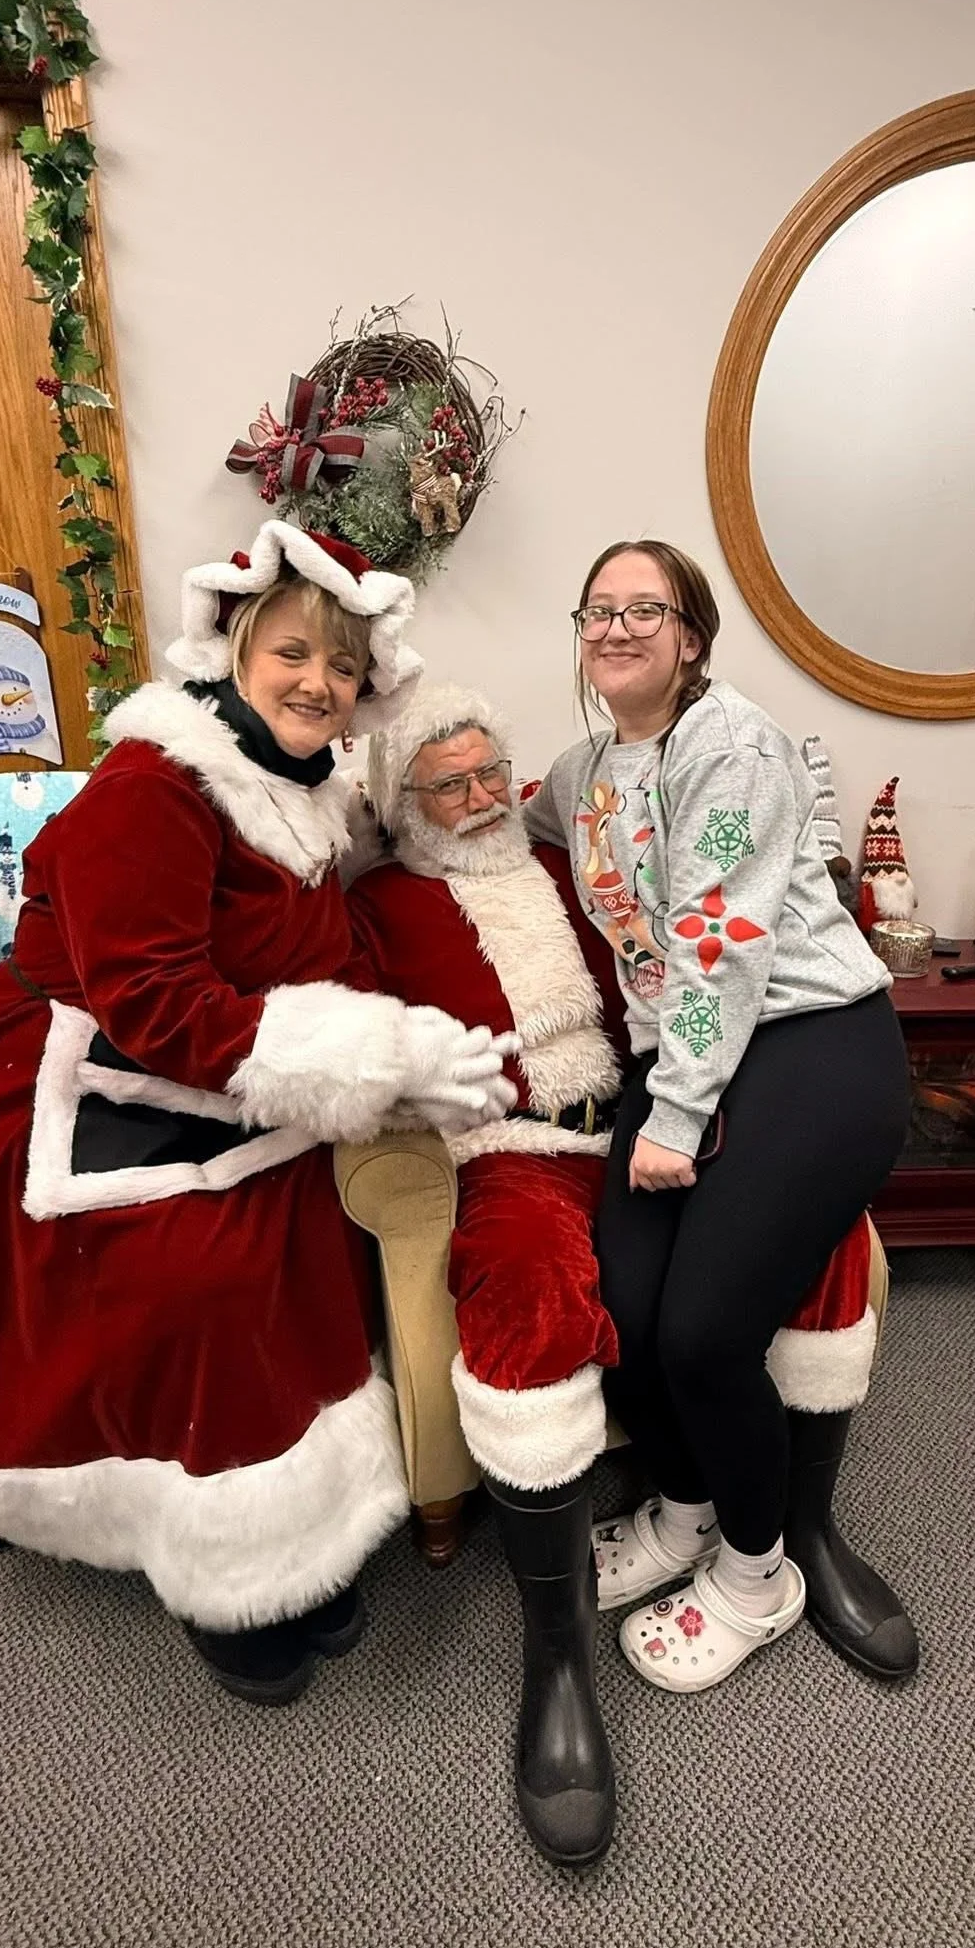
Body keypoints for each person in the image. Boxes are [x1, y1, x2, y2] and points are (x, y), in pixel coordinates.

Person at [0, 519, 515, 1707]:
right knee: (197, 1270)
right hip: (79, 1059)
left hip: (232, 1067)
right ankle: (222, 1566)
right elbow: (151, 1000)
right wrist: (368, 1051)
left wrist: (405, 1048)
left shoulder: (316, 793)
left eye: (344, 665)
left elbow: (324, 951)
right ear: (239, 647)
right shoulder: (153, 785)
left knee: (306, 1225)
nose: (319, 681)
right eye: (294, 652)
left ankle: (292, 1531)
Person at [522, 538, 915, 1694]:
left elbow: (718, 943)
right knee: (627, 1307)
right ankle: (688, 1503)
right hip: (689, 1055)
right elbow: (498, 811)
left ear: (691, 635)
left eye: (647, 608)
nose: (617, 627)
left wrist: (675, 1117)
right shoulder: (584, 766)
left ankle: (759, 1573)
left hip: (809, 1042)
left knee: (701, 1330)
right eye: (597, 610)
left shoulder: (731, 745)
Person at [348, 683, 626, 1867]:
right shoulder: (378, 905)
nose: (477, 801)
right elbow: (352, 1042)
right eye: (447, 784)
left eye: (489, 775)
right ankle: (556, 1648)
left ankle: (784, 1535)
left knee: (798, 1224)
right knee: (522, 1289)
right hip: (510, 1149)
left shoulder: (572, 870)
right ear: (403, 803)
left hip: (640, 1120)